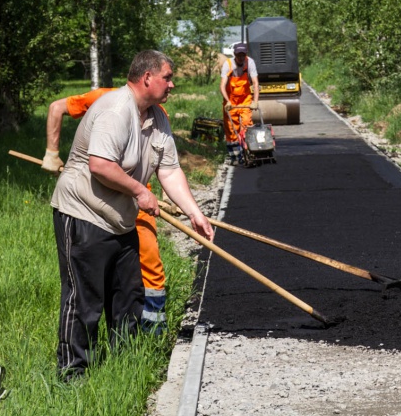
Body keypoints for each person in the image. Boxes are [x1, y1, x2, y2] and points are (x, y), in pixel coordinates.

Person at [50, 50, 214, 379]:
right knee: (85, 298)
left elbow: (169, 170)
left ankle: (125, 366)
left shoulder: (157, 117)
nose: (172, 83)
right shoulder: (115, 109)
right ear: (147, 78)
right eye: (167, 77)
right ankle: (73, 375)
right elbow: (100, 166)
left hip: (120, 219)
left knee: (127, 295)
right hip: (84, 213)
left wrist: (194, 214)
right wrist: (140, 191)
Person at [42, 88, 169, 335]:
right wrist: (52, 153)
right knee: (91, 281)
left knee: (149, 260)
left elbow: (163, 161)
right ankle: (83, 350)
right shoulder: (103, 99)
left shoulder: (158, 112)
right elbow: (57, 107)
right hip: (95, 200)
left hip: (137, 199)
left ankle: (152, 327)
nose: (170, 86)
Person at [220, 42, 260, 163]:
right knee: (232, 128)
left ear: (246, 54)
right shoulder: (228, 64)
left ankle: (248, 151)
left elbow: (255, 83)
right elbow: (222, 86)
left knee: (247, 124)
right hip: (231, 100)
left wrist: (255, 101)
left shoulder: (250, 62)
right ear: (235, 54)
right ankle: (234, 156)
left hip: (245, 99)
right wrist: (227, 101)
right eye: (239, 55)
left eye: (243, 55)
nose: (241, 57)